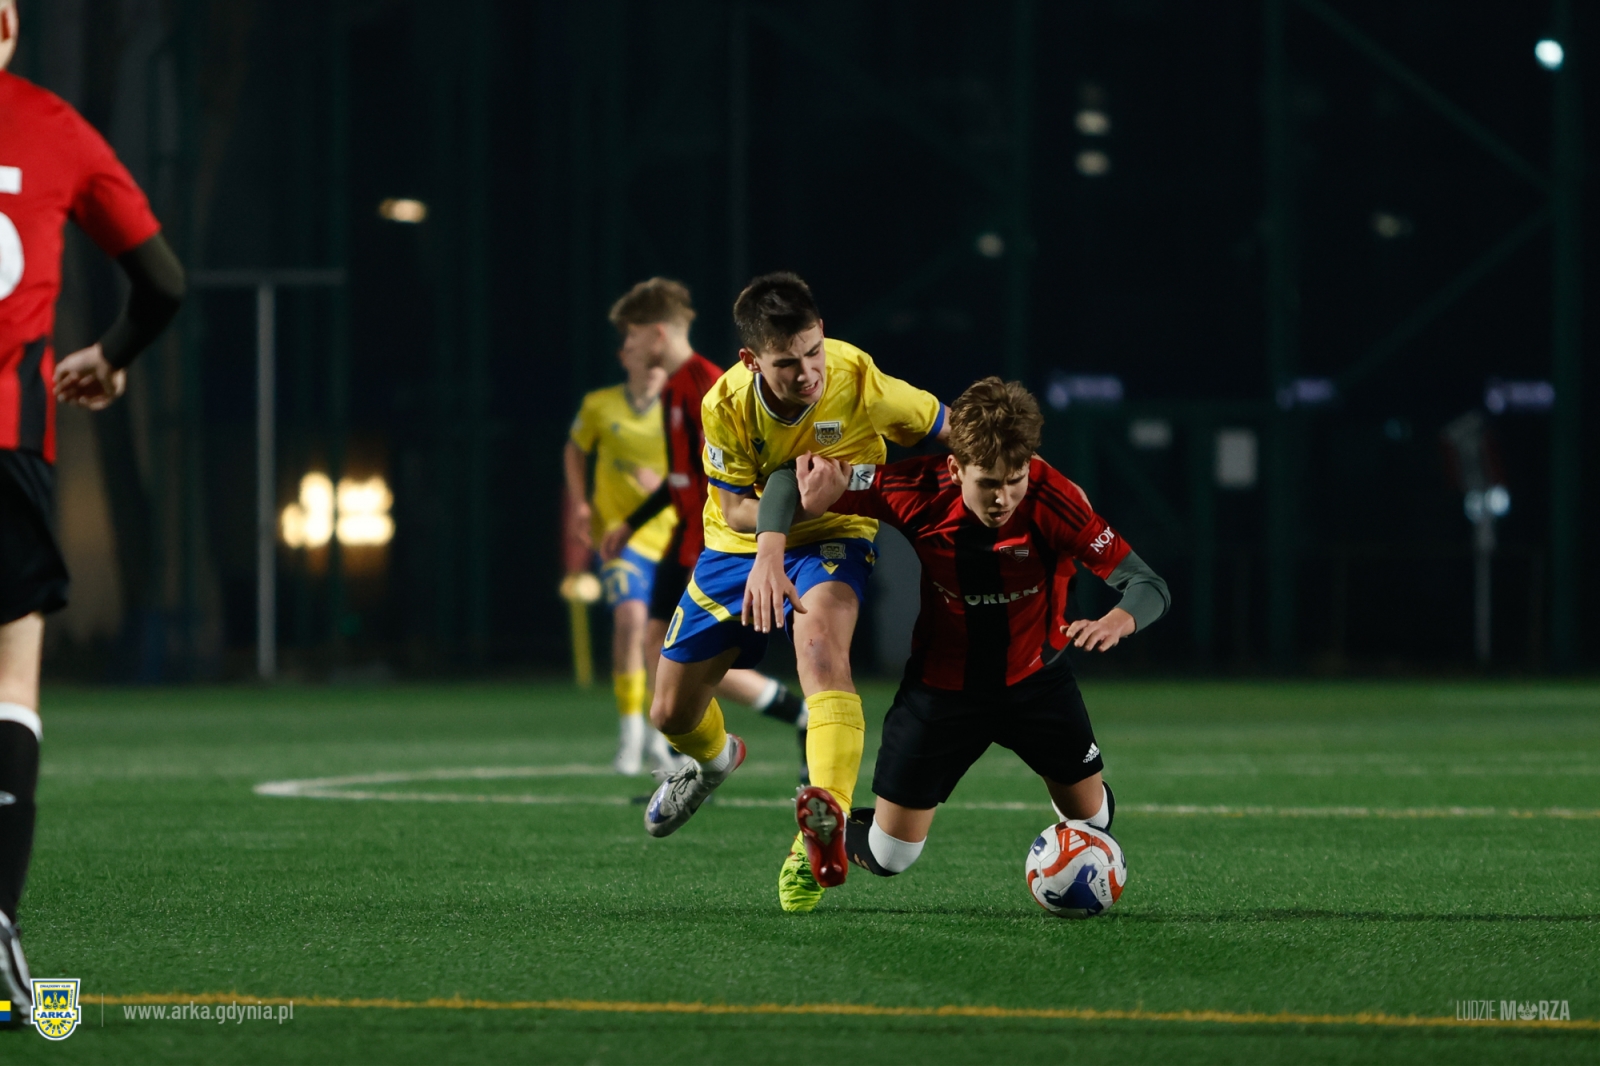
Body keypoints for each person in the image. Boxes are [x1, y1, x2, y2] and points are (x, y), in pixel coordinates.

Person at [639, 271, 949, 916]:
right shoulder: (726, 403)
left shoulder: (856, 377)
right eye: (787, 362)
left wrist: (1023, 471)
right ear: (752, 360)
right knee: (669, 713)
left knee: (823, 655)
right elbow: (733, 505)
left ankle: (816, 838)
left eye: (813, 352)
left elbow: (945, 427)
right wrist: (773, 542)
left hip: (835, 536)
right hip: (736, 547)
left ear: (822, 334)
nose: (807, 372)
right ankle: (715, 762)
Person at [792, 377, 1169, 885]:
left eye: (1015, 479)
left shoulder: (1055, 499)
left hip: (1038, 684)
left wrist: (1117, 620)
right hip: (942, 692)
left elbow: (1147, 584)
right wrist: (788, 518)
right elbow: (797, 478)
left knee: (1094, 822)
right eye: (988, 483)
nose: (1003, 498)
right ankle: (832, 833)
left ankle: (1074, 875)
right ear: (954, 468)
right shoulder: (914, 490)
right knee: (889, 857)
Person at [0, 0, 186, 1026]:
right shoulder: (53, 126)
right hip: (9, 443)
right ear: (8, 23)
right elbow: (162, 282)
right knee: (9, 686)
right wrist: (111, 356)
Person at [596, 279, 808, 778]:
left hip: (712, 542)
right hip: (683, 537)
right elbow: (682, 478)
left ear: (657, 333)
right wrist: (631, 523)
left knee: (689, 657)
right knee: (658, 647)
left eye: (631, 335)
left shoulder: (709, 388)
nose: (626, 347)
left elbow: (735, 481)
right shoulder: (674, 388)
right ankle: (679, 758)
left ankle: (789, 718)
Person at [564, 342, 681, 774]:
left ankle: (659, 737)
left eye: (659, 360)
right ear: (625, 359)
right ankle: (629, 735)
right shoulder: (599, 405)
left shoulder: (680, 410)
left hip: (671, 539)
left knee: (664, 638)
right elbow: (574, 449)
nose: (652, 367)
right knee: (631, 619)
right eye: (644, 358)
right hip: (619, 537)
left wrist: (666, 484)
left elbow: (705, 464)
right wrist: (580, 503)